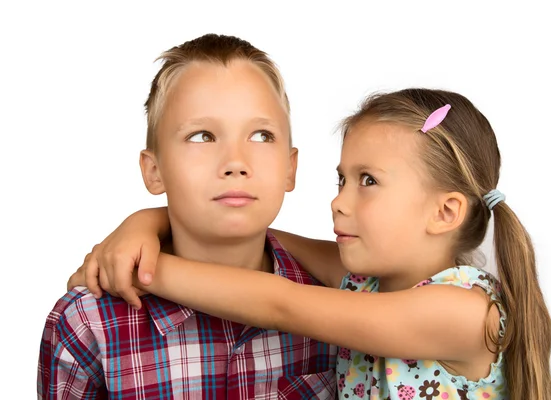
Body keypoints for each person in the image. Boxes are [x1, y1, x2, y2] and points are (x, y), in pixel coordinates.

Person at [71, 88, 551, 399]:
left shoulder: (461, 313)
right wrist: (146, 223)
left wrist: (143, 269)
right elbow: (257, 229)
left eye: (368, 181)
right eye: (341, 179)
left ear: (445, 212)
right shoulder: (369, 283)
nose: (338, 203)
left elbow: (280, 304)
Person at [38, 33, 338, 399]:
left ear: (290, 169)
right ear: (154, 171)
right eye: (202, 136)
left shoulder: (342, 304)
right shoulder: (88, 323)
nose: (235, 163)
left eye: (261, 135)